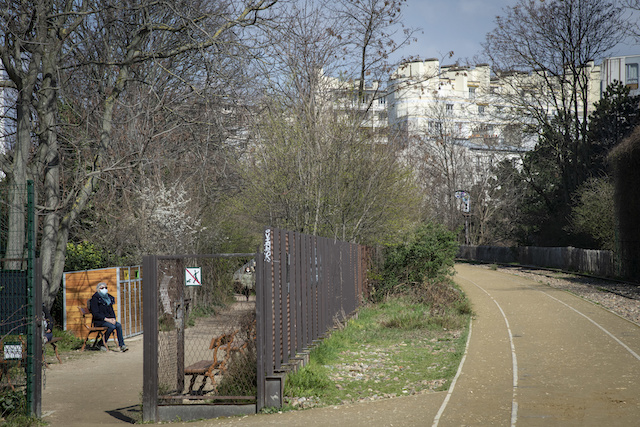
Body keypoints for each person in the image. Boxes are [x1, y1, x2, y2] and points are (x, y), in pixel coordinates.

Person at [89, 282, 128, 352]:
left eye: (105, 287)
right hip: (99, 321)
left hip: (108, 320)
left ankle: (122, 345)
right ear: (98, 290)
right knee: (112, 327)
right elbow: (96, 314)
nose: (104, 289)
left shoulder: (108, 298)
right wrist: (107, 319)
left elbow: (111, 311)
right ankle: (101, 343)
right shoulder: (94, 299)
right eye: (102, 288)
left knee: (118, 325)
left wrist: (113, 319)